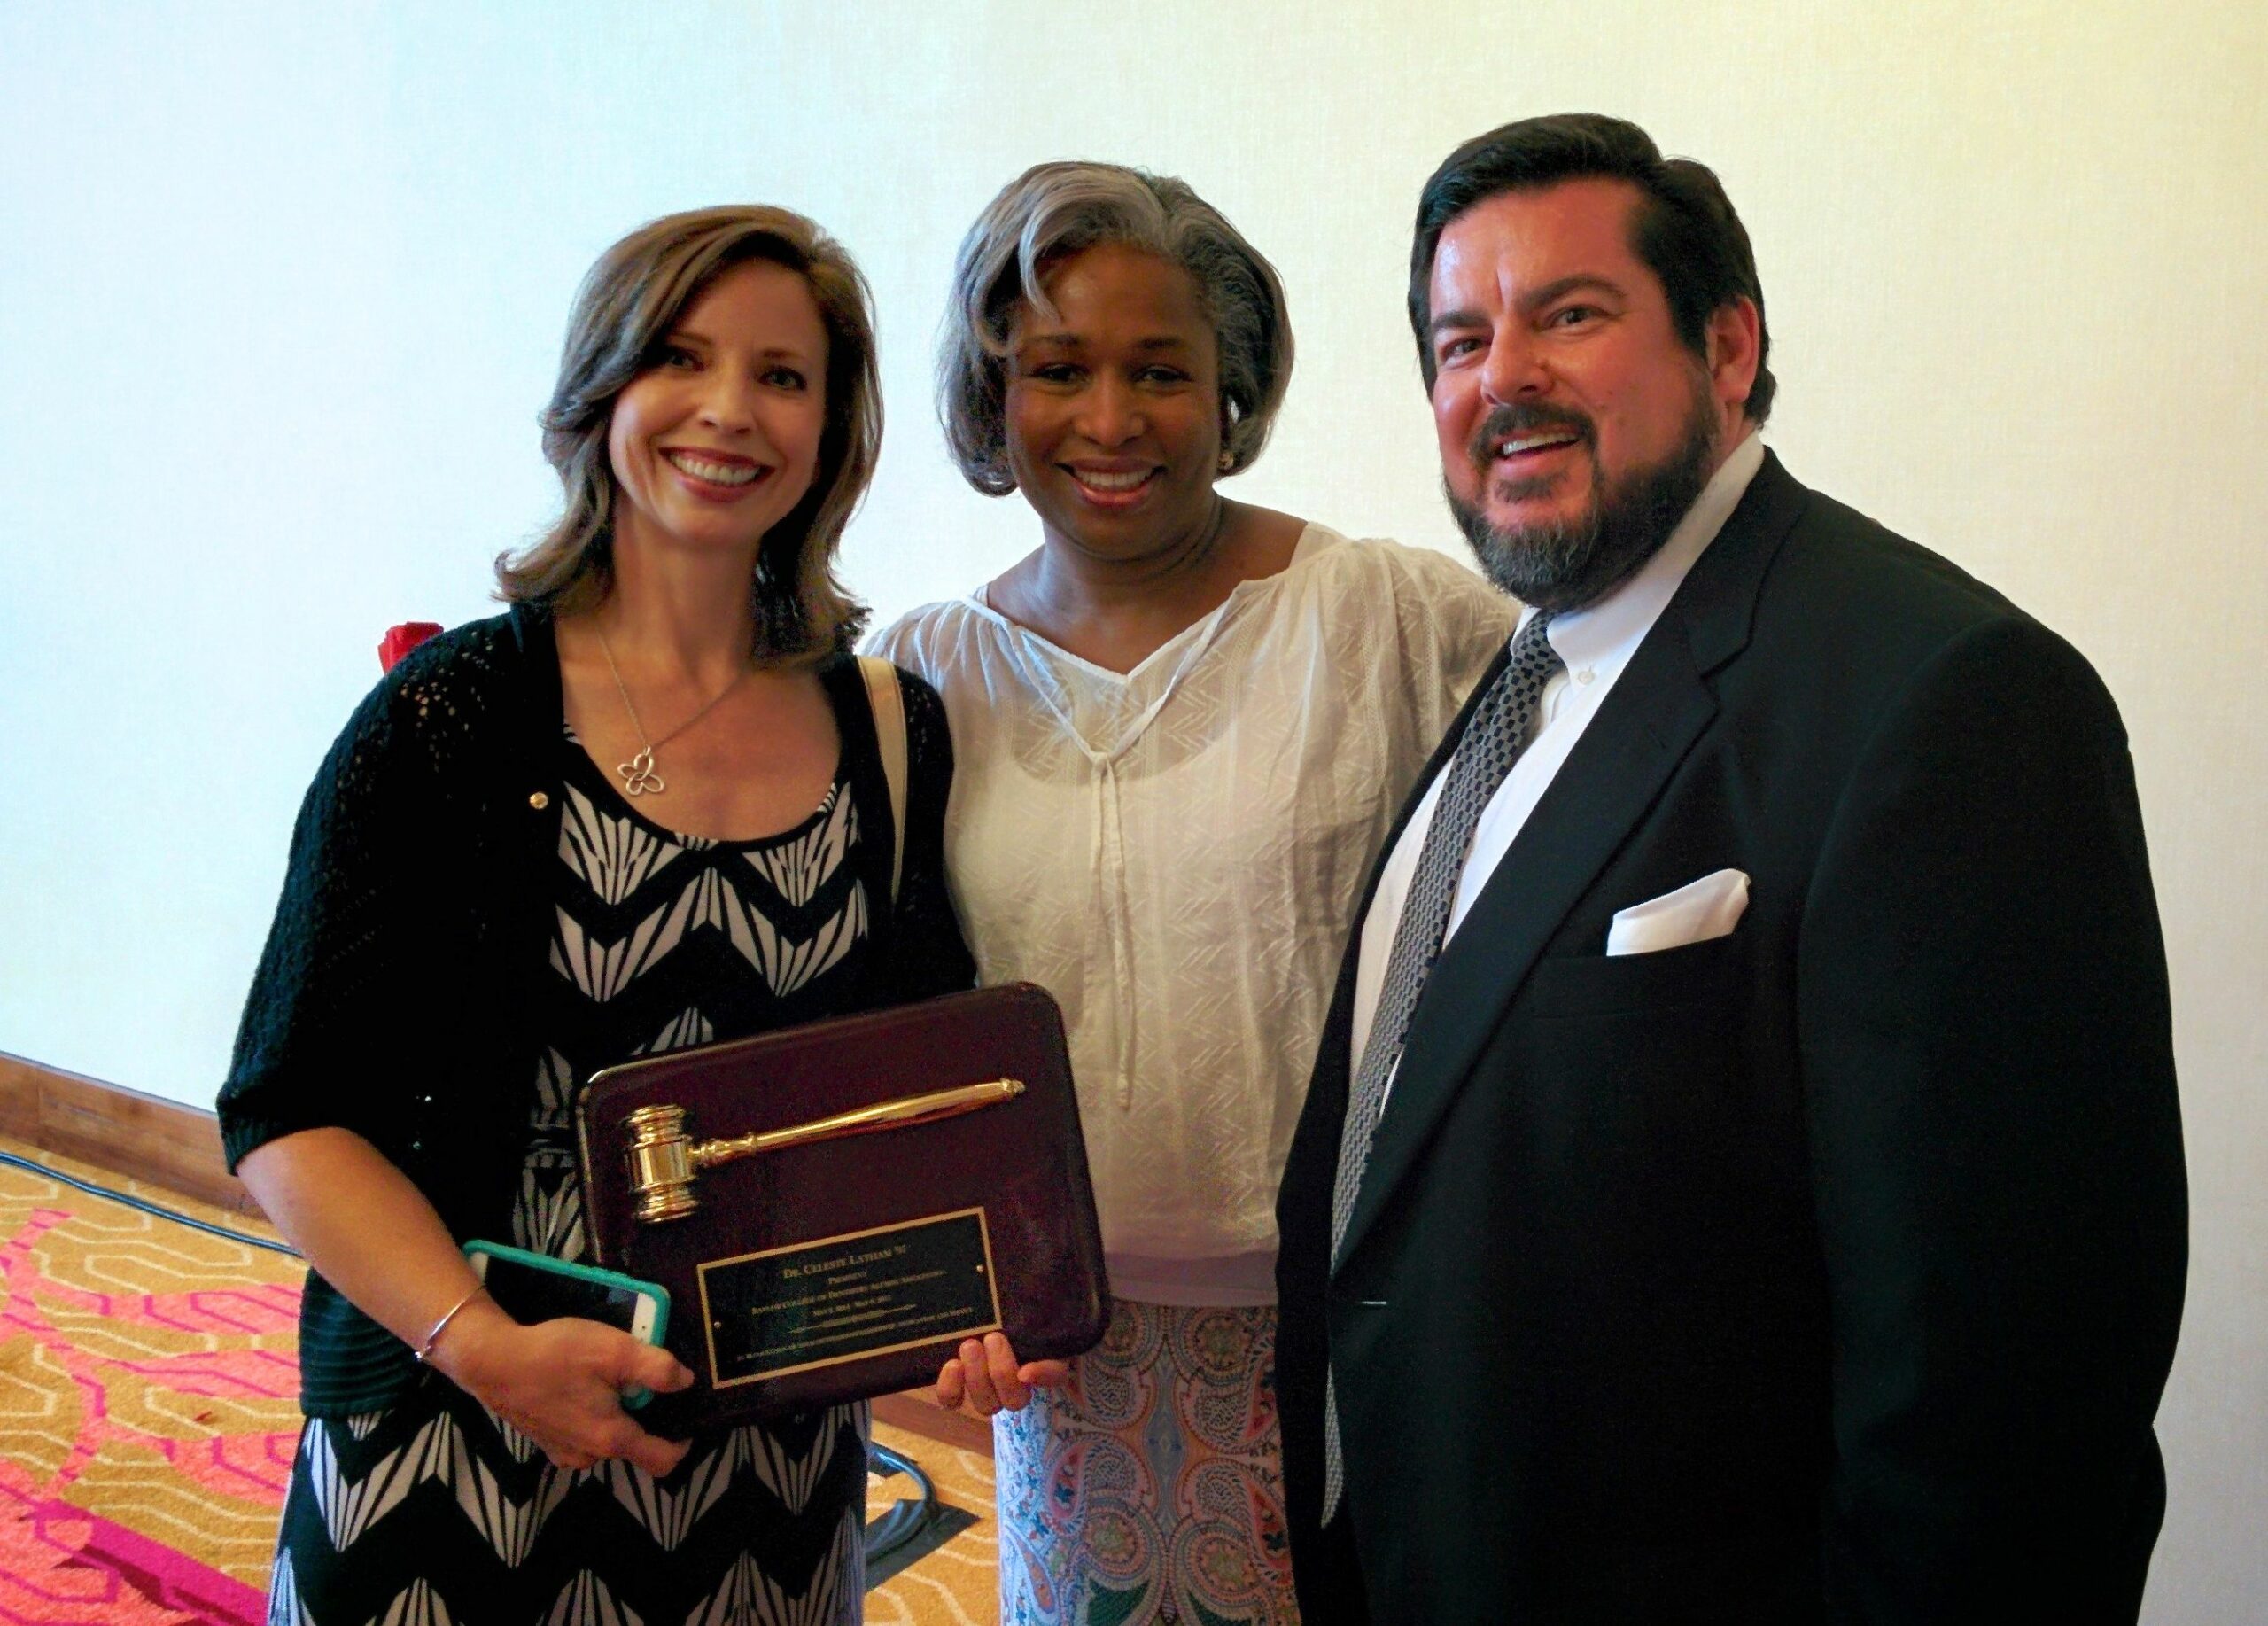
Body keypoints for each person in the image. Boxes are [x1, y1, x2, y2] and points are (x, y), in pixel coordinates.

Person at [1272, 113, 2189, 1623]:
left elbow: (2009, 1423)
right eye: (1458, 338)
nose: (1503, 376)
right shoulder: (1521, 686)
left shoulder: (1945, 702)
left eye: (1570, 313)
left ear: (1729, 344)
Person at [219, 206, 974, 1625]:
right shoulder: (449, 724)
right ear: (600, 393)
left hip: (770, 1475)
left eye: (784, 376)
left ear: (833, 427)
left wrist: (979, 1296)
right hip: (458, 1441)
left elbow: (915, 1094)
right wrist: (484, 1350)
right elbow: (288, 1109)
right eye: (679, 359)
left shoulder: (888, 729)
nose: (729, 412)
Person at [870, 162, 1512, 1626]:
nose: (1109, 419)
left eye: (1160, 370)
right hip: (1062, 1347)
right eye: (1057, 371)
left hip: (1350, 1327)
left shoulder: (1392, 622)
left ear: (1233, 387)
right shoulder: (921, 681)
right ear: (993, 397)